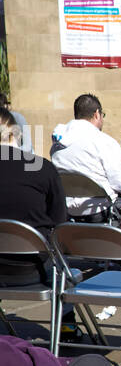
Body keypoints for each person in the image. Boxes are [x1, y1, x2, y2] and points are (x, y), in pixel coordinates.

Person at [0, 109, 67, 290]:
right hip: (33, 268)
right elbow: (60, 222)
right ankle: (67, 317)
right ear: (15, 133)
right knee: (64, 268)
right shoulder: (42, 168)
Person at [49, 94, 121, 216]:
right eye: (103, 115)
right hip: (100, 210)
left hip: (66, 210)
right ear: (97, 114)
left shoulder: (57, 143)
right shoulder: (105, 142)